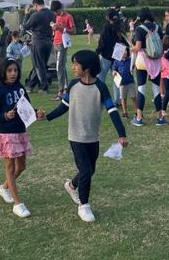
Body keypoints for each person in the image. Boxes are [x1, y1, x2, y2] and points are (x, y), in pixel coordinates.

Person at [41, 50, 128, 223]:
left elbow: (112, 111)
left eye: (76, 64)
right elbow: (63, 106)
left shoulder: (101, 87)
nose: (73, 67)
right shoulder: (73, 85)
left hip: (92, 137)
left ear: (86, 68)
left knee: (89, 170)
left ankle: (71, 185)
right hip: (75, 136)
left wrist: (122, 134)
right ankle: (84, 205)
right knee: (86, 170)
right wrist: (47, 117)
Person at [0, 58, 36, 218]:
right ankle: (17, 203)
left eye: (15, 70)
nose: (13, 73)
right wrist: (4, 116)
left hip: (21, 132)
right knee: (9, 167)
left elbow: (27, 107)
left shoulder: (20, 88)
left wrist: (36, 112)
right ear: (3, 72)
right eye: (9, 71)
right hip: (7, 134)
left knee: (21, 166)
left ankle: (4, 188)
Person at [131, 7, 165, 126]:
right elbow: (161, 43)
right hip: (156, 61)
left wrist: (132, 48)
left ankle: (139, 118)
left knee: (141, 88)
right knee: (156, 89)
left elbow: (138, 47)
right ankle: (160, 118)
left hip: (142, 61)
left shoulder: (139, 29)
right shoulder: (157, 27)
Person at [23, 0, 56, 94]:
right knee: (40, 65)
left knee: (39, 66)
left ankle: (44, 87)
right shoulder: (52, 14)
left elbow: (25, 26)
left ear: (36, 5)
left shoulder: (36, 15)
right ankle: (30, 85)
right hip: (49, 42)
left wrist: (26, 15)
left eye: (34, 7)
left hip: (38, 42)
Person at [96, 8, 125, 104]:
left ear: (108, 17)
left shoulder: (106, 26)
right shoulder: (120, 26)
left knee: (101, 77)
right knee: (116, 78)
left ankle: (100, 97)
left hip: (106, 55)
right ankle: (118, 100)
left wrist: (97, 51)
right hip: (117, 55)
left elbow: (102, 41)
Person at [50, 0, 76, 101]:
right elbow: (56, 29)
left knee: (59, 67)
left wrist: (62, 28)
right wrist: (53, 27)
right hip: (55, 42)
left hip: (62, 43)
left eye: (56, 11)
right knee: (62, 66)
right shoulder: (56, 16)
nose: (55, 13)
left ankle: (60, 91)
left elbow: (73, 30)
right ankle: (65, 89)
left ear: (60, 8)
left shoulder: (68, 16)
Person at [112, 47, 136, 118]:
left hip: (130, 82)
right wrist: (114, 72)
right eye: (122, 51)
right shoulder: (117, 61)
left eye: (125, 50)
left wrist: (133, 66)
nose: (124, 52)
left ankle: (136, 111)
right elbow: (114, 70)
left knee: (134, 97)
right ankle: (125, 112)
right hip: (122, 83)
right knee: (123, 98)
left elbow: (133, 66)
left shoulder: (130, 60)